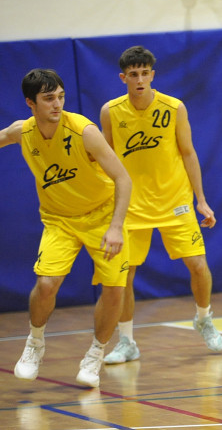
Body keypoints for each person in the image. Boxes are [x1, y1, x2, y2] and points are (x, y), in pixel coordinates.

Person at [1, 69, 132, 388]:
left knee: (114, 289)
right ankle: (35, 342)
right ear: (31, 103)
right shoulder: (23, 131)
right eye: (48, 98)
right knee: (46, 284)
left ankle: (96, 354)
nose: (57, 104)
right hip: (59, 219)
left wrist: (116, 227)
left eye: (60, 96)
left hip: (103, 216)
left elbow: (123, 179)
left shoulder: (84, 132)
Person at [99, 45, 222, 364]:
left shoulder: (174, 107)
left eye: (145, 73)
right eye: (133, 74)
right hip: (131, 206)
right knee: (124, 275)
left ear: (153, 75)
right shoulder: (110, 112)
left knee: (198, 265)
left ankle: (203, 318)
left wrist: (201, 200)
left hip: (175, 201)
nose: (140, 80)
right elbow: (105, 159)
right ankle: (127, 341)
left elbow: (188, 153)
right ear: (123, 78)